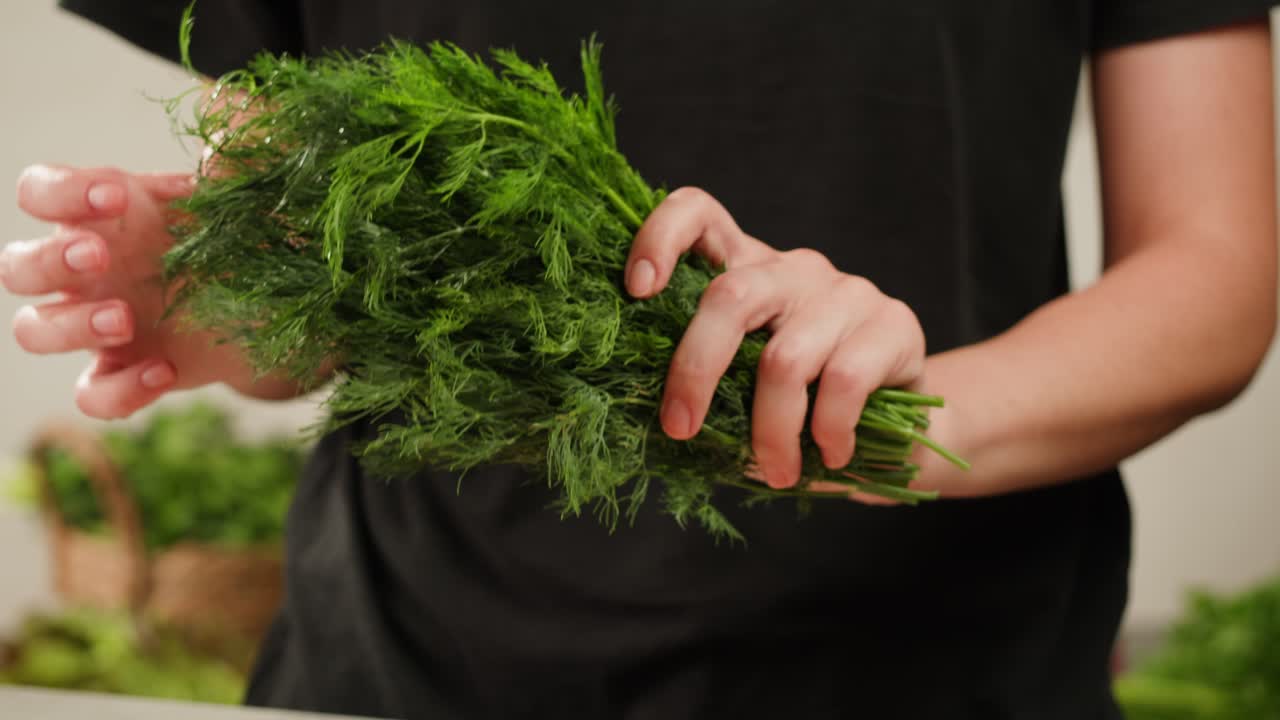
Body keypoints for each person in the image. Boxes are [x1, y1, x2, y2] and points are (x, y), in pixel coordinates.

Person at [4, 1, 1276, 718]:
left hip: (950, 672)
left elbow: (1216, 264)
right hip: (412, 670)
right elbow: (327, 228)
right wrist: (248, 302)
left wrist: (890, 412)